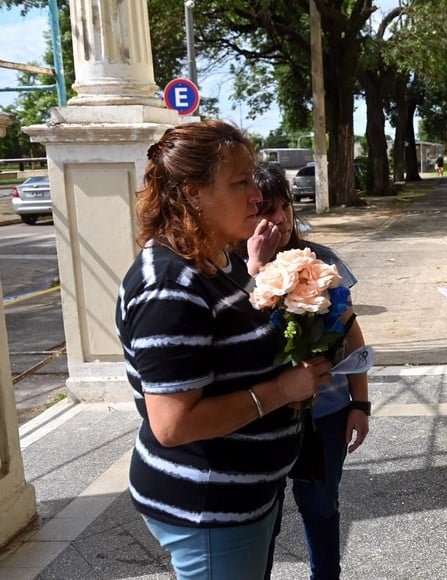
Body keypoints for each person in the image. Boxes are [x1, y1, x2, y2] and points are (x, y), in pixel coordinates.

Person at [115, 121, 333, 580]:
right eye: (240, 183)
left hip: (243, 498)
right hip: (208, 506)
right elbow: (173, 424)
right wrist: (281, 390)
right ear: (193, 194)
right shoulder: (169, 285)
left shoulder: (220, 258)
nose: (256, 196)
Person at [245, 162, 369, 580]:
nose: (279, 218)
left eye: (284, 206)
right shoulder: (234, 271)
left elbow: (351, 332)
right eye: (266, 210)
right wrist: (255, 273)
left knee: (321, 507)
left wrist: (360, 403)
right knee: (264, 518)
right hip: (263, 417)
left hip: (326, 416)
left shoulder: (322, 262)